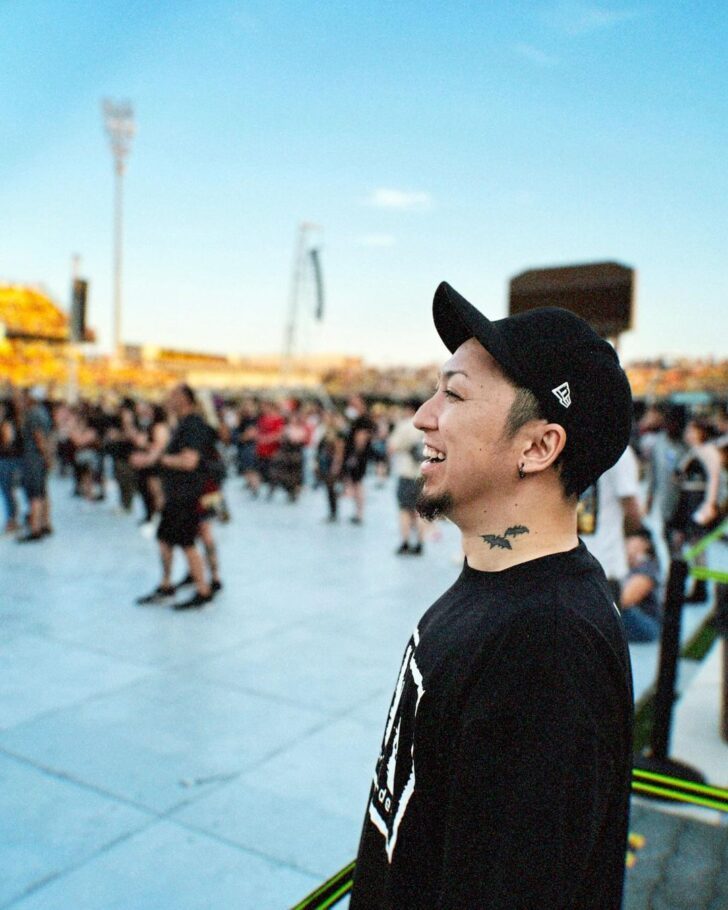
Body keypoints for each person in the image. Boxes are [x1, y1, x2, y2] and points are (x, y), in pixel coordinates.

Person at [350, 282, 634, 910]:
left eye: (453, 394)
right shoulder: (498, 595)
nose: (422, 417)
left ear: (537, 447)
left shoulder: (548, 649)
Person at [133, 384, 213, 610]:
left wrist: (160, 460)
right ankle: (166, 584)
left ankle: (203, 590)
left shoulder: (193, 426)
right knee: (165, 539)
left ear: (185, 399)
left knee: (187, 542)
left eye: (173, 396)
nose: (168, 400)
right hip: (176, 493)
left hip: (187, 494)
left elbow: (189, 462)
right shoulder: (181, 425)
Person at [580, 444, 643, 602]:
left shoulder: (572, 445)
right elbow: (631, 508)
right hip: (605, 562)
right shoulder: (618, 450)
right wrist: (632, 536)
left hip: (580, 561)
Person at [387, 399, 426, 554]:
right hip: (423, 474)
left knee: (404, 509)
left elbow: (392, 447)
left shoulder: (404, 426)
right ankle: (420, 543)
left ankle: (405, 542)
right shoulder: (426, 426)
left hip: (406, 473)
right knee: (419, 511)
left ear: (409, 409)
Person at [17, 386, 53, 542]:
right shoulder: (44, 413)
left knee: (35, 494)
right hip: (39, 458)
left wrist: (45, 455)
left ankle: (35, 528)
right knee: (42, 491)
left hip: (33, 458)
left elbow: (39, 437)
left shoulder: (33, 414)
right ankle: (45, 523)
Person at [619, 528, 662, 642]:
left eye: (631, 540)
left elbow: (624, 600)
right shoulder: (624, 566)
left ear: (644, 544)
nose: (627, 543)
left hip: (648, 624)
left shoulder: (647, 567)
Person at [342, 395, 375, 524]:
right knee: (356, 484)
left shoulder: (363, 420)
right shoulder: (357, 420)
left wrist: (355, 455)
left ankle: (359, 513)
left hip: (358, 457)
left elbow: (361, 439)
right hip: (357, 456)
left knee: (358, 484)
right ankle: (357, 512)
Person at [0, 398, 22, 533]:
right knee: (8, 491)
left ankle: (12, 519)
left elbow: (7, 441)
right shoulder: (12, 422)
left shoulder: (7, 423)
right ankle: (12, 518)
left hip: (7, 461)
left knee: (7, 491)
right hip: (8, 460)